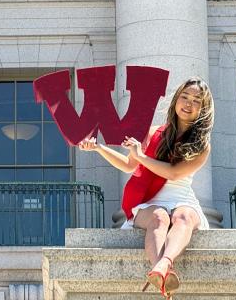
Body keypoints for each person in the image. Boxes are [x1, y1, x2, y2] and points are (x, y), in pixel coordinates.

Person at [78, 77, 214, 298]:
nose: (188, 103)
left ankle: (163, 265)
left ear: (204, 108)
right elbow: (129, 164)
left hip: (183, 198)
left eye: (196, 100)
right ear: (176, 100)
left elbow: (172, 173)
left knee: (183, 218)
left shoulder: (201, 144)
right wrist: (98, 148)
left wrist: (141, 156)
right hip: (150, 202)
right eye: (185, 96)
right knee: (159, 217)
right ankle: (161, 271)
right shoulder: (153, 133)